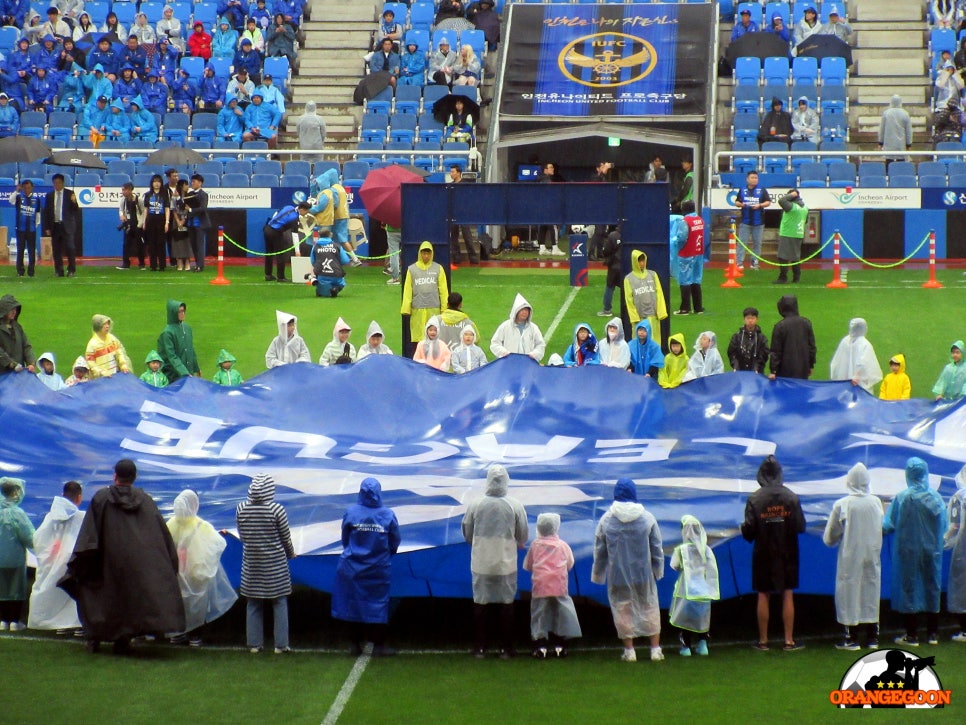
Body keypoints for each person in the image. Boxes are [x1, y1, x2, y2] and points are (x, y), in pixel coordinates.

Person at [60, 460, 184, 654]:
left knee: (98, 596)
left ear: (115, 476)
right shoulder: (146, 501)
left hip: (106, 562)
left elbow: (89, 535)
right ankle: (122, 640)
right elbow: (160, 535)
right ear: (134, 477)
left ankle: (95, 637)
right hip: (136, 565)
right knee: (128, 601)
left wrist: (82, 562)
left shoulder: (101, 498)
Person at [591, 478, 664, 662]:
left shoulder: (607, 520)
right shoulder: (647, 518)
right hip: (643, 573)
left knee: (622, 609)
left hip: (617, 575)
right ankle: (655, 649)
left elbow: (600, 549)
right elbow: (656, 547)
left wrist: (598, 574)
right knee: (649, 606)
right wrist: (658, 569)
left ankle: (629, 651)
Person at [462, 464, 528, 659]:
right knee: (506, 604)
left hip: (481, 561)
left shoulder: (476, 504)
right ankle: (505, 648)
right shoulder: (514, 505)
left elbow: (467, 532)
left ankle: (480, 647)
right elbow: (522, 534)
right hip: (505, 562)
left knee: (481, 604)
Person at [741, 455, 806, 651]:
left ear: (760, 475)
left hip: (763, 552)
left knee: (763, 594)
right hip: (788, 551)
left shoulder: (755, 499)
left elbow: (749, 531)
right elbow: (800, 526)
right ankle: (788, 640)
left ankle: (763, 641)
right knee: (787, 593)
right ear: (780, 474)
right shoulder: (791, 497)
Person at [331, 477, 401, 657]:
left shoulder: (351, 513)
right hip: (378, 568)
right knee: (377, 605)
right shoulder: (387, 515)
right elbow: (395, 541)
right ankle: (378, 645)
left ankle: (354, 644)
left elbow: (345, 539)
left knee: (352, 603)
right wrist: (383, 556)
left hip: (352, 567)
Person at [883, 457, 947, 646]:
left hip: (908, 552)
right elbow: (944, 525)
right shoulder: (936, 498)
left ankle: (911, 635)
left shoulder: (902, 498)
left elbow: (888, 524)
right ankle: (933, 633)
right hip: (932, 552)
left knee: (909, 589)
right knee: (932, 587)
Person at [822, 462, 883, 650]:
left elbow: (830, 535)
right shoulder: (876, 502)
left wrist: (831, 540)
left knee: (849, 592)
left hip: (850, 555)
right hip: (872, 554)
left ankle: (851, 637)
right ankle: (873, 637)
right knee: (871, 590)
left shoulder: (843, 505)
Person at [166, 490, 238, 647]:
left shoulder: (171, 524)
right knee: (196, 605)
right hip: (196, 573)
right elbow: (217, 543)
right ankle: (195, 636)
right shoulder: (201, 525)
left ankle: (177, 634)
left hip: (175, 572)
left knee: (179, 603)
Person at [236, 473, 295, 654]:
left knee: (253, 602)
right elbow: (285, 537)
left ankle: (254, 644)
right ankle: (281, 645)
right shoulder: (276, 509)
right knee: (279, 601)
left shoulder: (241, 508)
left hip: (251, 562)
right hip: (275, 564)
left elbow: (242, 536)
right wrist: (291, 553)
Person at [523, 513, 581, 659]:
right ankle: (559, 645)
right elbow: (570, 563)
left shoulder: (535, 545)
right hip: (559, 585)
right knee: (559, 614)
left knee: (539, 615)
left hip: (540, 585)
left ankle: (540, 645)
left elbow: (528, 565)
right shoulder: (563, 545)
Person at [28, 481, 84, 632]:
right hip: (70, 561)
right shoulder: (81, 517)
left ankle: (42, 621)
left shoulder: (49, 517)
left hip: (51, 560)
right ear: (79, 498)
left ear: (62, 495)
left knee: (46, 587)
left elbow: (38, 538)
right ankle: (72, 623)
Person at [669, 514, 719, 657]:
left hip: (686, 590)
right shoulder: (707, 550)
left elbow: (675, 566)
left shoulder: (681, 549)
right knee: (701, 618)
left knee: (685, 620)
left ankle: (686, 647)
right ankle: (703, 644)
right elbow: (712, 570)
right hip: (703, 589)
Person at [0, 477, 34, 632]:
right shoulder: (17, 513)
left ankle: (2, 620)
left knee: (2, 589)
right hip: (15, 558)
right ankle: (14, 621)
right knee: (16, 589)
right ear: (16, 492)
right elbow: (29, 537)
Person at [401, 241, 449, 350]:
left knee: (434, 336)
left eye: (428, 253)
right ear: (420, 253)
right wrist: (406, 308)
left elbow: (443, 290)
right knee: (419, 338)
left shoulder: (438, 268)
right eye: (424, 253)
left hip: (434, 309)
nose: (426, 256)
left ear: (431, 254)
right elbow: (408, 290)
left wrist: (444, 308)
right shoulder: (412, 269)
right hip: (417, 309)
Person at [622, 249, 668, 347]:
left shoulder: (653, 275)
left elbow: (659, 293)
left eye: (643, 260)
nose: (641, 263)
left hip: (653, 316)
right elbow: (629, 300)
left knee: (654, 341)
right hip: (640, 317)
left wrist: (661, 312)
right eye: (639, 261)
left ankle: (654, 361)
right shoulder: (628, 279)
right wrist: (634, 317)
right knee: (639, 342)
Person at [829, 318, 883, 394]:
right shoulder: (864, 344)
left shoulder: (845, 340)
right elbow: (864, 362)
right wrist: (857, 376)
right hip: (858, 382)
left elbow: (837, 362)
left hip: (845, 381)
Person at [671, 201, 706, 316]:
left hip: (687, 253)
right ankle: (698, 307)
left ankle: (685, 308)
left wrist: (674, 241)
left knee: (684, 280)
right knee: (696, 279)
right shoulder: (700, 220)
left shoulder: (684, 221)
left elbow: (682, 237)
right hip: (698, 253)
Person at [768, 294, 816, 380]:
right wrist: (810, 364)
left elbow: (775, 351)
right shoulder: (806, 323)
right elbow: (811, 347)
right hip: (803, 367)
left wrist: (773, 370)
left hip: (784, 370)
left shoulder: (780, 326)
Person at [42, 173, 81, 278]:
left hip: (67, 225)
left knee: (70, 248)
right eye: (55, 183)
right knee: (56, 250)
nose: (57, 185)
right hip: (55, 225)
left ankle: (71, 270)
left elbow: (75, 210)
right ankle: (59, 271)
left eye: (59, 183)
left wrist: (74, 202)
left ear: (63, 183)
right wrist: (47, 227)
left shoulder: (70, 194)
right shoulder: (49, 196)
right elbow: (47, 212)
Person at [490, 293, 546, 362]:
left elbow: (540, 345)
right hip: (509, 362)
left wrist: (534, 354)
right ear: (516, 311)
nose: (525, 312)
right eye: (522, 310)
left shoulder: (533, 328)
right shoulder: (505, 326)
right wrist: (503, 352)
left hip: (527, 363)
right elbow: (495, 343)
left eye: (527, 310)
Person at [734, 171, 771, 272]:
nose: (754, 179)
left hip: (758, 222)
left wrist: (760, 205)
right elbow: (737, 202)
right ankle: (739, 262)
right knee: (742, 243)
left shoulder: (762, 190)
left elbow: (768, 202)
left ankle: (754, 262)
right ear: (747, 179)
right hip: (745, 221)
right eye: (752, 177)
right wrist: (742, 205)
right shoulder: (742, 190)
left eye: (756, 178)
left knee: (757, 243)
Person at [158, 299, 201, 382]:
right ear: (173, 313)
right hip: (173, 376)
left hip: (188, 374)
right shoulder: (167, 333)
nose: (183, 314)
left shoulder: (187, 328)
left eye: (183, 311)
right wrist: (184, 372)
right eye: (180, 312)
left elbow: (191, 349)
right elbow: (171, 356)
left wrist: (196, 368)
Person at [263, 202, 307, 282]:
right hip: (276, 232)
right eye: (306, 211)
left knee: (269, 253)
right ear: (302, 209)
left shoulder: (288, 206)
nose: (306, 213)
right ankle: (281, 277)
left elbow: (276, 213)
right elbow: (295, 235)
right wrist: (297, 251)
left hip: (267, 228)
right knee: (280, 254)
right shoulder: (295, 218)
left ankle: (268, 275)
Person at [947, 467, 966, 642]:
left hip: (963, 549)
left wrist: (943, 540)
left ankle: (965, 630)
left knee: (963, 589)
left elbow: (954, 526)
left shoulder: (960, 497)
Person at [775, 189, 808, 284]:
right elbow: (806, 221)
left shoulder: (791, 206)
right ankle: (796, 278)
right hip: (799, 233)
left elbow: (781, 201)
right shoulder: (805, 207)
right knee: (795, 257)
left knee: (783, 256)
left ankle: (783, 277)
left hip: (787, 233)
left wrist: (791, 195)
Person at [448, 166, 480, 264]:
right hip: (453, 213)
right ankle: (456, 258)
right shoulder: (450, 185)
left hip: (463, 213)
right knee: (453, 236)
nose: (451, 173)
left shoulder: (465, 184)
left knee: (467, 235)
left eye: (453, 172)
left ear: (458, 173)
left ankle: (473, 258)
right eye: (451, 172)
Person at [85, 314, 132, 379]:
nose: (107, 326)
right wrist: (101, 372)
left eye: (108, 324)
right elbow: (90, 362)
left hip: (115, 374)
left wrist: (123, 364)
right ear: (98, 326)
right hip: (102, 379)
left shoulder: (112, 339)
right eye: (104, 324)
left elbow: (119, 352)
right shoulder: (92, 344)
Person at [142, 174, 171, 272]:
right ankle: (153, 265)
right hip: (150, 219)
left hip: (161, 219)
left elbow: (167, 209)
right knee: (151, 243)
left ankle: (162, 265)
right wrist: (144, 222)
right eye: (154, 181)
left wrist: (167, 222)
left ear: (161, 183)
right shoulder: (148, 195)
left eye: (158, 181)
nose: (156, 184)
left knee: (161, 243)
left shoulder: (164, 194)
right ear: (152, 183)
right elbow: (146, 209)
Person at [0, 295, 35, 375]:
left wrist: (31, 363)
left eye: (15, 309)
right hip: (2, 375)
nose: (14, 312)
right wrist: (11, 364)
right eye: (11, 309)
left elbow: (26, 346)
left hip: (18, 374)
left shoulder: (17, 327)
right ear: (4, 310)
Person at [308, 229, 350, 298]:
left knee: (321, 294)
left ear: (319, 235)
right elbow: (345, 260)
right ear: (330, 235)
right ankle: (336, 288)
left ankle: (323, 290)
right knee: (341, 283)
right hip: (337, 274)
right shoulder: (337, 246)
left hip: (322, 275)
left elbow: (313, 262)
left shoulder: (315, 247)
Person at [12, 180, 41, 278]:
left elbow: (37, 215)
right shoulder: (19, 197)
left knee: (31, 251)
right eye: (25, 188)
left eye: (29, 188)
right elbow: (11, 201)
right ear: (23, 188)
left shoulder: (36, 199)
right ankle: (20, 271)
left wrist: (35, 225)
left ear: (32, 188)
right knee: (20, 250)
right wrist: (17, 191)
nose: (27, 190)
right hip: (20, 229)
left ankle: (31, 272)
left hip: (31, 230)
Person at [728, 307, 769, 374]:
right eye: (748, 318)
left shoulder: (762, 338)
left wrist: (757, 367)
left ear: (757, 319)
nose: (750, 320)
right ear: (744, 319)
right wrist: (735, 366)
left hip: (756, 373)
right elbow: (731, 353)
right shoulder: (737, 337)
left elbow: (764, 354)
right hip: (740, 372)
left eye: (752, 318)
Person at [184, 174, 211, 272]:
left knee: (199, 245)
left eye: (194, 181)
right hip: (191, 223)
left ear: (200, 183)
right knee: (193, 245)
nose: (192, 183)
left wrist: (191, 209)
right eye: (192, 181)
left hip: (200, 223)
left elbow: (203, 208)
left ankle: (200, 265)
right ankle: (197, 264)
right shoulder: (190, 193)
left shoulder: (203, 194)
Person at [116, 181, 146, 271]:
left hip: (137, 224)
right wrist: (121, 215)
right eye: (122, 190)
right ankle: (126, 263)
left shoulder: (138, 200)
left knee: (139, 244)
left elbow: (144, 212)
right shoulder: (123, 200)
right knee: (126, 244)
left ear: (130, 190)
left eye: (124, 190)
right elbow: (121, 210)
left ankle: (141, 263)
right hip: (128, 225)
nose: (123, 192)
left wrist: (141, 224)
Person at [597, 229, 623, 318]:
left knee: (610, 287)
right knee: (627, 288)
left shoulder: (613, 235)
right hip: (627, 266)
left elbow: (606, 250)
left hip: (614, 266)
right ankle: (627, 310)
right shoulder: (632, 233)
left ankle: (607, 309)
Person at [879, 95, 913, 162]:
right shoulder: (905, 114)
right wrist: (909, 144)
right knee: (901, 162)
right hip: (901, 144)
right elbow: (908, 131)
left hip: (888, 144)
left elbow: (882, 130)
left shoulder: (886, 114)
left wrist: (880, 142)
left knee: (889, 162)